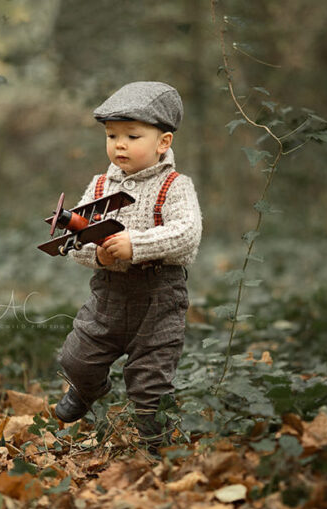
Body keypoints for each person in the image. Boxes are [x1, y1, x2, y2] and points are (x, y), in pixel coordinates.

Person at [54, 81, 202, 450]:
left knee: (149, 383)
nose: (119, 144)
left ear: (163, 142)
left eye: (132, 136)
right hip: (109, 296)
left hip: (159, 297)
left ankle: (157, 447)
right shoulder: (101, 185)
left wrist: (136, 244)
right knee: (76, 357)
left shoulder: (175, 186)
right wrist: (98, 255)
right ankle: (88, 388)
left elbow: (186, 234)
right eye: (112, 135)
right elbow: (78, 241)